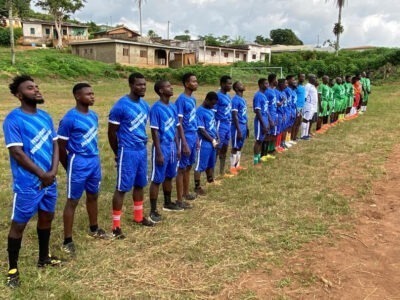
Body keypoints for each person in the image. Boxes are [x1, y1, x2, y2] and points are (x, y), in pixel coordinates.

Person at [3, 75, 61, 288]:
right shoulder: (13, 119)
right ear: (19, 95)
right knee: (19, 224)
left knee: (47, 217)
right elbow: (17, 153)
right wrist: (41, 174)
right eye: (30, 88)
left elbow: (55, 145)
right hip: (28, 183)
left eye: (36, 86)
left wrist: (53, 171)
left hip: (49, 180)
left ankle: (43, 257)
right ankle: (12, 269)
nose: (36, 90)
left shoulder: (45, 117)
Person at [58, 83, 108, 257]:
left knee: (93, 195)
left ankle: (94, 228)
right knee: (73, 200)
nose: (92, 96)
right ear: (78, 96)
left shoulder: (93, 115)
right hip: (78, 162)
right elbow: (61, 145)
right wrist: (70, 166)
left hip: (94, 161)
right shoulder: (69, 118)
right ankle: (67, 240)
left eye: (93, 93)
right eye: (88, 94)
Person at [108, 73, 154, 239]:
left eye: (144, 84)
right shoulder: (120, 106)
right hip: (127, 151)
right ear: (131, 85)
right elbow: (111, 133)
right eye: (139, 85)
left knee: (140, 184)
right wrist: (118, 152)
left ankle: (138, 217)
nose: (142, 87)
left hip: (141, 149)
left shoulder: (144, 105)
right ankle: (116, 226)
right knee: (122, 188)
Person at [148, 80, 182, 224]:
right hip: (161, 146)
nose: (171, 88)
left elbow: (174, 128)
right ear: (161, 91)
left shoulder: (173, 107)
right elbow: (154, 131)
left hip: (172, 146)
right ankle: (153, 210)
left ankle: (168, 203)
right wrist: (159, 152)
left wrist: (177, 146)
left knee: (169, 175)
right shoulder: (156, 108)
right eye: (168, 86)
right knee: (157, 179)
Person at [175, 73, 198, 205]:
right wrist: (183, 143)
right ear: (186, 84)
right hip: (185, 136)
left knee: (188, 166)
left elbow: (192, 119)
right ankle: (179, 199)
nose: (196, 83)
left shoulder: (192, 99)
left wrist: (196, 139)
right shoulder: (181, 100)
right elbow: (179, 123)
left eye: (196, 81)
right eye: (193, 81)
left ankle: (186, 192)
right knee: (181, 168)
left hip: (193, 135)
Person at [194, 92, 219, 194]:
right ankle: (197, 186)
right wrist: (212, 140)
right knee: (200, 164)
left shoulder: (210, 110)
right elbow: (201, 130)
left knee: (210, 163)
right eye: (212, 103)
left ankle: (210, 180)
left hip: (212, 141)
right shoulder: (200, 111)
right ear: (207, 100)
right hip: (204, 141)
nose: (213, 106)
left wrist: (217, 136)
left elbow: (213, 125)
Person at [214, 75, 233, 177]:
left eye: (231, 83)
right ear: (222, 84)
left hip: (228, 125)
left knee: (225, 148)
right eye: (228, 84)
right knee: (217, 149)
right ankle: (211, 175)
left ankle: (221, 172)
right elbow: (213, 113)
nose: (230, 85)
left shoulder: (228, 96)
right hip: (220, 125)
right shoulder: (218, 97)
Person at [230, 81, 249, 174]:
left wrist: (247, 127)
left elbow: (244, 114)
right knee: (235, 146)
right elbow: (234, 115)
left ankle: (237, 165)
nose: (243, 85)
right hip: (237, 126)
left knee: (240, 146)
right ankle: (232, 167)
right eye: (241, 85)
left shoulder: (243, 99)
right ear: (236, 89)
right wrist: (238, 130)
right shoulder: (235, 100)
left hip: (243, 125)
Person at [253, 78, 270, 166]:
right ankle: (256, 161)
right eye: (265, 84)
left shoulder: (264, 95)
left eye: (267, 83)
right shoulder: (258, 95)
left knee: (262, 140)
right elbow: (258, 111)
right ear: (260, 85)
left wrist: (269, 121)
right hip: (260, 121)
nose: (267, 85)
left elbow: (266, 110)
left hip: (265, 120)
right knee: (258, 141)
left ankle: (259, 158)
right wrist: (263, 124)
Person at [301, 74, 318, 140]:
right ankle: (302, 135)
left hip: (313, 106)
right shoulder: (307, 86)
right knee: (305, 119)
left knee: (309, 120)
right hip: (308, 105)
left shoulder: (313, 86)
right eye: (313, 78)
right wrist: (305, 106)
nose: (315, 79)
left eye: (315, 78)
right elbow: (305, 97)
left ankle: (306, 134)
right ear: (310, 79)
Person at [292, 73, 306, 142]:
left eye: (304, 77)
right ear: (298, 77)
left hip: (302, 106)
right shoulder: (296, 86)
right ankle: (292, 137)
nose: (303, 78)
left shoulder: (303, 86)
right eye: (301, 77)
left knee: (299, 122)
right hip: (297, 106)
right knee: (295, 122)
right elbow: (293, 95)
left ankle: (295, 137)